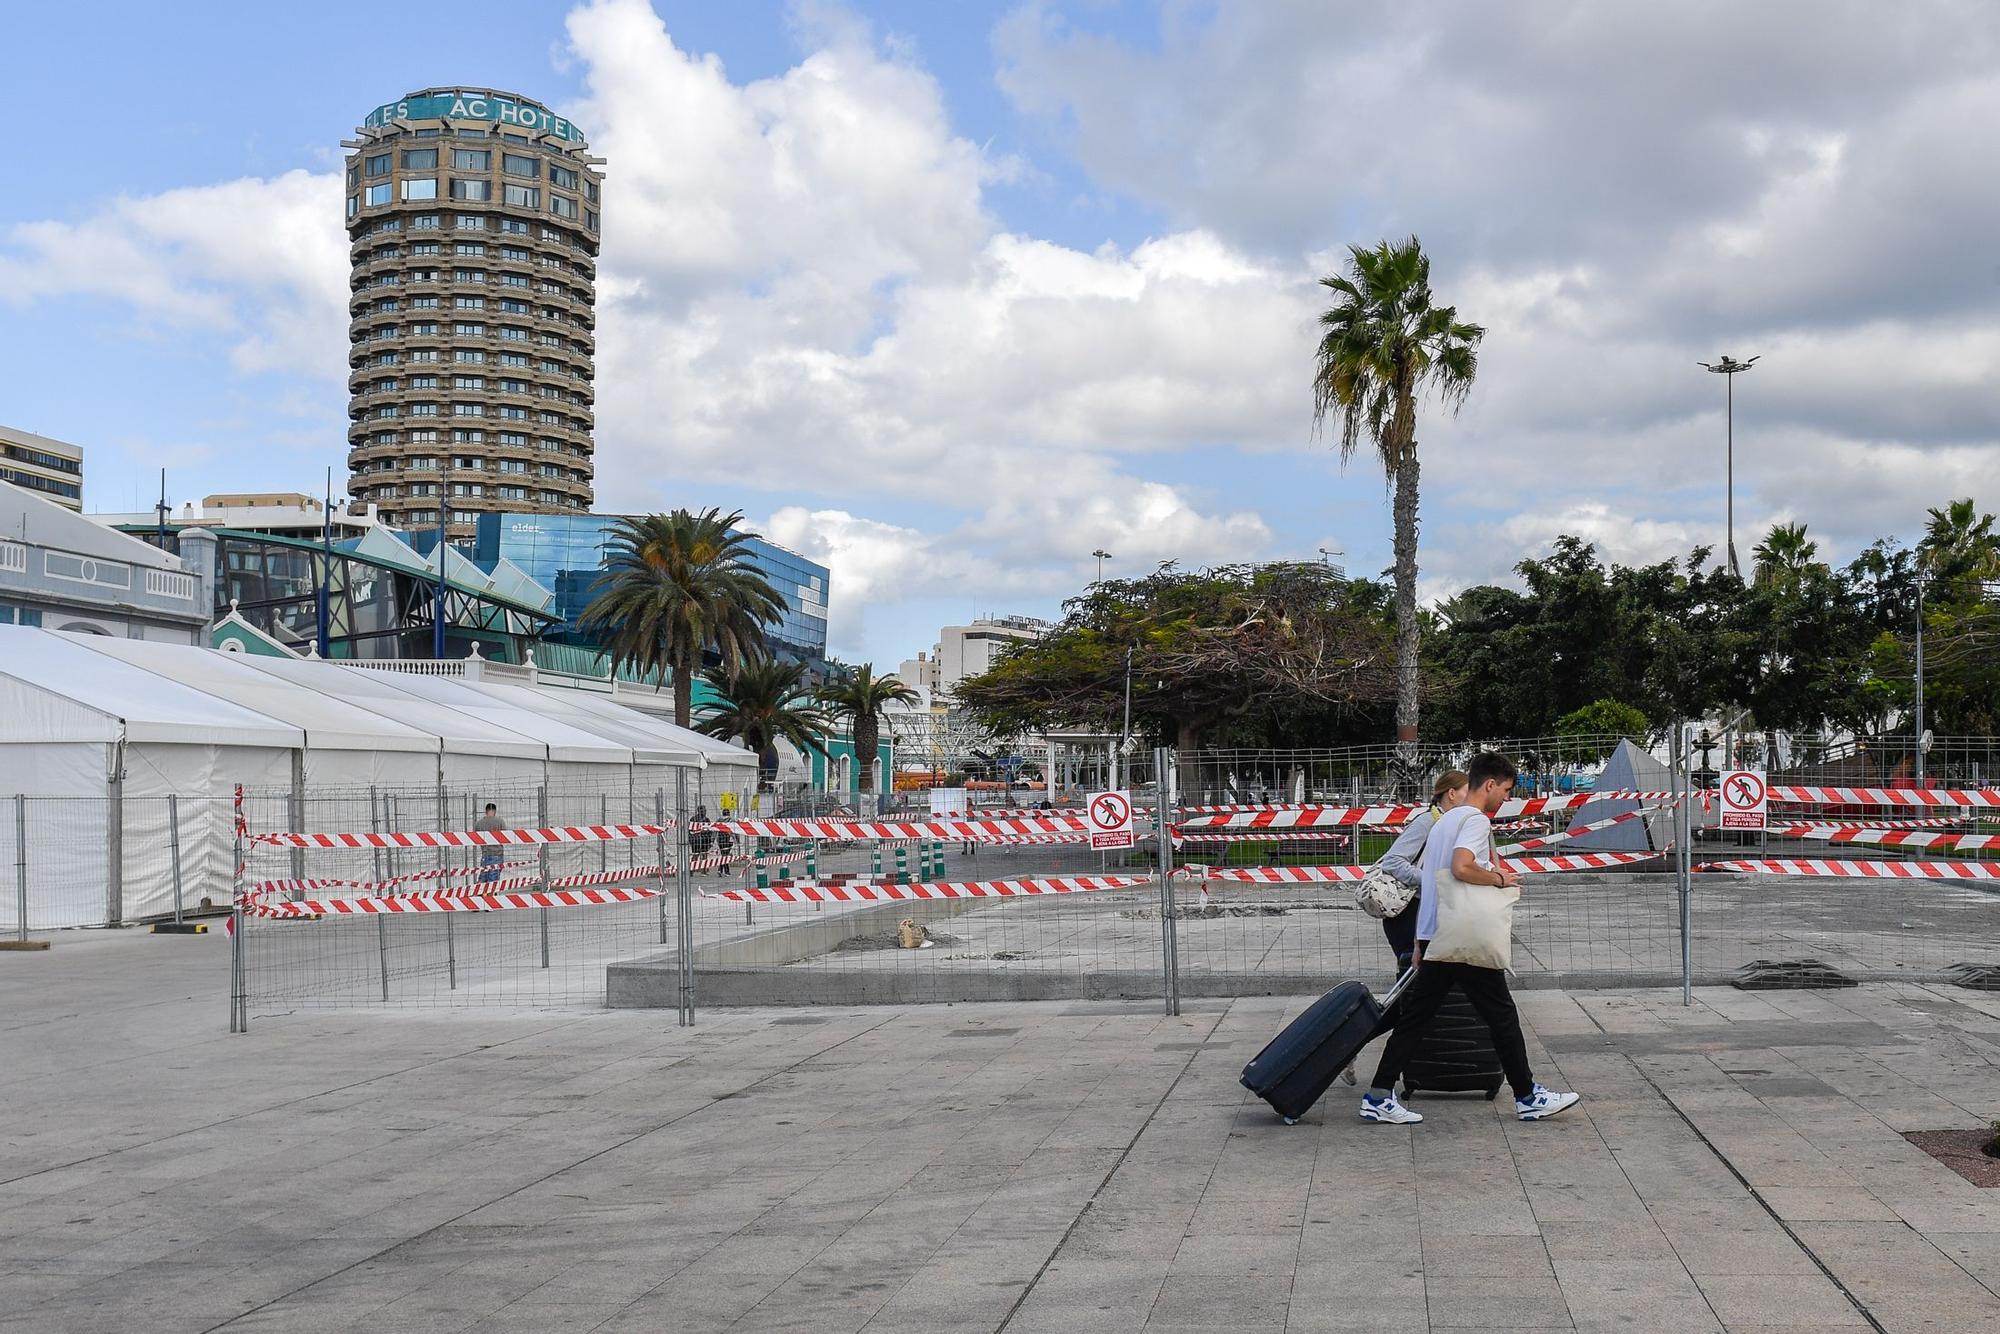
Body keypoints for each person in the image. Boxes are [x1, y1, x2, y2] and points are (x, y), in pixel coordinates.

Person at [1360, 751, 1582, 1126]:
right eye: (1507, 790)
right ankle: (1527, 1095)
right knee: (1501, 1014)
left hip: (1438, 935)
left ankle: (1379, 1094)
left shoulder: (1445, 821)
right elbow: (1461, 869)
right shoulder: (1476, 820)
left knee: (1418, 1016)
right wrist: (1499, 878)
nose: (1506, 799)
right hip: (1461, 936)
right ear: (1490, 784)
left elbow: (1433, 882)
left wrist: (1420, 941)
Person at [1374, 770, 1469, 973]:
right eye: (1466, 792)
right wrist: (1434, 879)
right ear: (1451, 793)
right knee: (1413, 973)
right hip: (1408, 912)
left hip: (1423, 909)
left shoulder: (1447, 823)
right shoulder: (1427, 822)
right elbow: (1393, 861)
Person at [474, 802, 505, 885]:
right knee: (493, 881)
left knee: (483, 877)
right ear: (495, 811)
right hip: (497, 854)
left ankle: (478, 894)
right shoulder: (500, 822)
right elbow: (505, 837)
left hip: (485, 855)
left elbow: (476, 838)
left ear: (486, 811)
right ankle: (491, 896)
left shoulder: (479, 823)